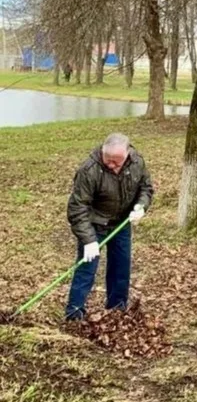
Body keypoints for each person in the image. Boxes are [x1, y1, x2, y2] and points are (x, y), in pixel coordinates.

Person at [65, 133, 153, 320]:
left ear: (127, 155)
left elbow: (146, 188)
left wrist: (141, 206)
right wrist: (88, 240)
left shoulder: (137, 163)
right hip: (94, 224)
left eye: (116, 162)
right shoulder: (89, 170)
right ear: (103, 152)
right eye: (108, 160)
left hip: (121, 224)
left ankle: (117, 310)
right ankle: (74, 313)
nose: (111, 165)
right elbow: (77, 207)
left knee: (121, 267)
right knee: (86, 268)